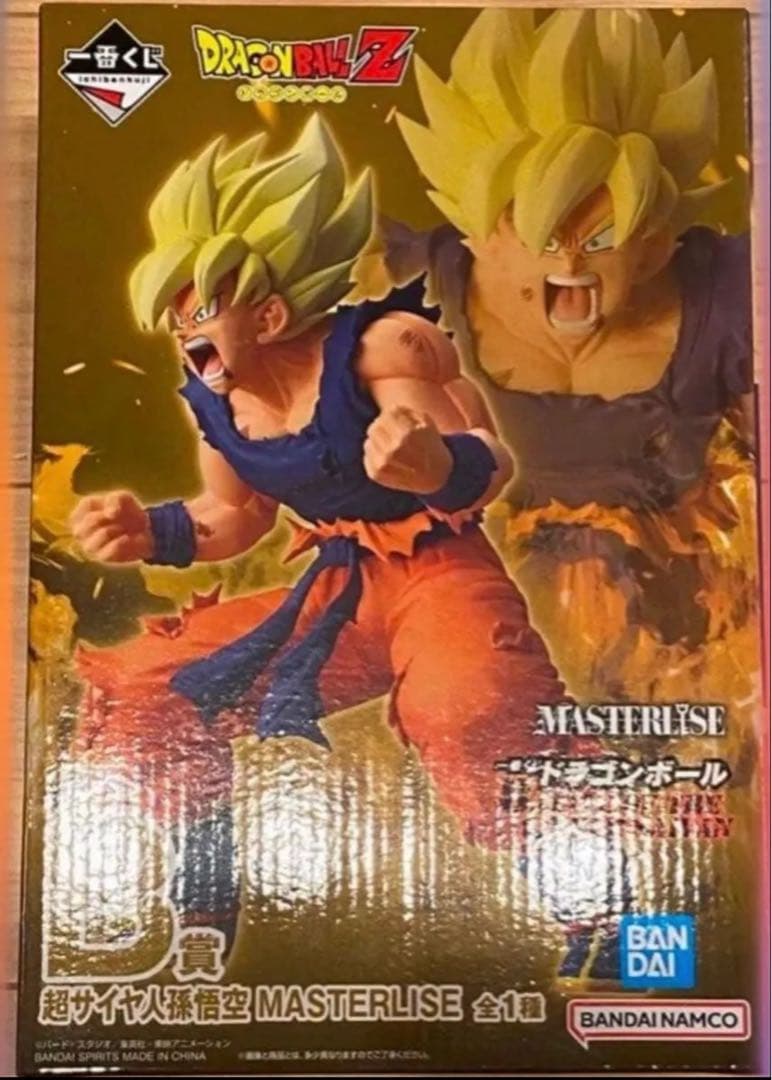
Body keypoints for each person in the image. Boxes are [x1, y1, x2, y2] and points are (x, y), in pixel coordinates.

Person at [71, 114, 572, 957]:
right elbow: (234, 516)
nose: (186, 336)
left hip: (440, 575)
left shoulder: (381, 351)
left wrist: (430, 463)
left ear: (269, 313)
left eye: (202, 310)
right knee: (147, 686)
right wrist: (148, 530)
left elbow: (488, 461)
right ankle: (204, 897)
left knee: (470, 706)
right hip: (339, 592)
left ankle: (596, 902)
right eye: (178, 318)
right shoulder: (216, 402)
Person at [394, 9, 757, 707]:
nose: (568, 260)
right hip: (477, 616)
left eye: (601, 236)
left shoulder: (732, 295)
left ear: (653, 245)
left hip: (683, 625)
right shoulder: (410, 285)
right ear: (482, 238)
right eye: (540, 233)